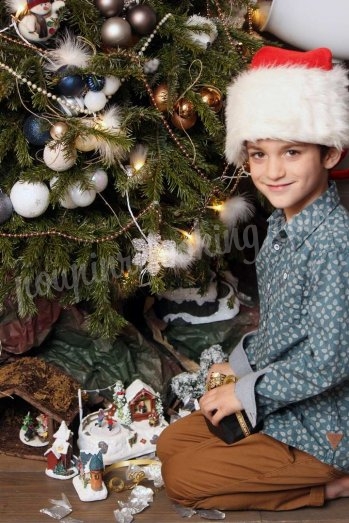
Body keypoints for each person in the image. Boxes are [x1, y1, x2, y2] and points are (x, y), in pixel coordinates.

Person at [156, 46, 349, 511]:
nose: (272, 171)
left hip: (324, 422)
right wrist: (236, 368)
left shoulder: (335, 244)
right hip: (282, 395)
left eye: (292, 151)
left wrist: (245, 392)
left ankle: (331, 484)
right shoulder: (282, 227)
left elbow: (328, 363)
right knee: (169, 446)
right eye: (259, 154)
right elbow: (285, 329)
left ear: (330, 153)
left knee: (182, 479)